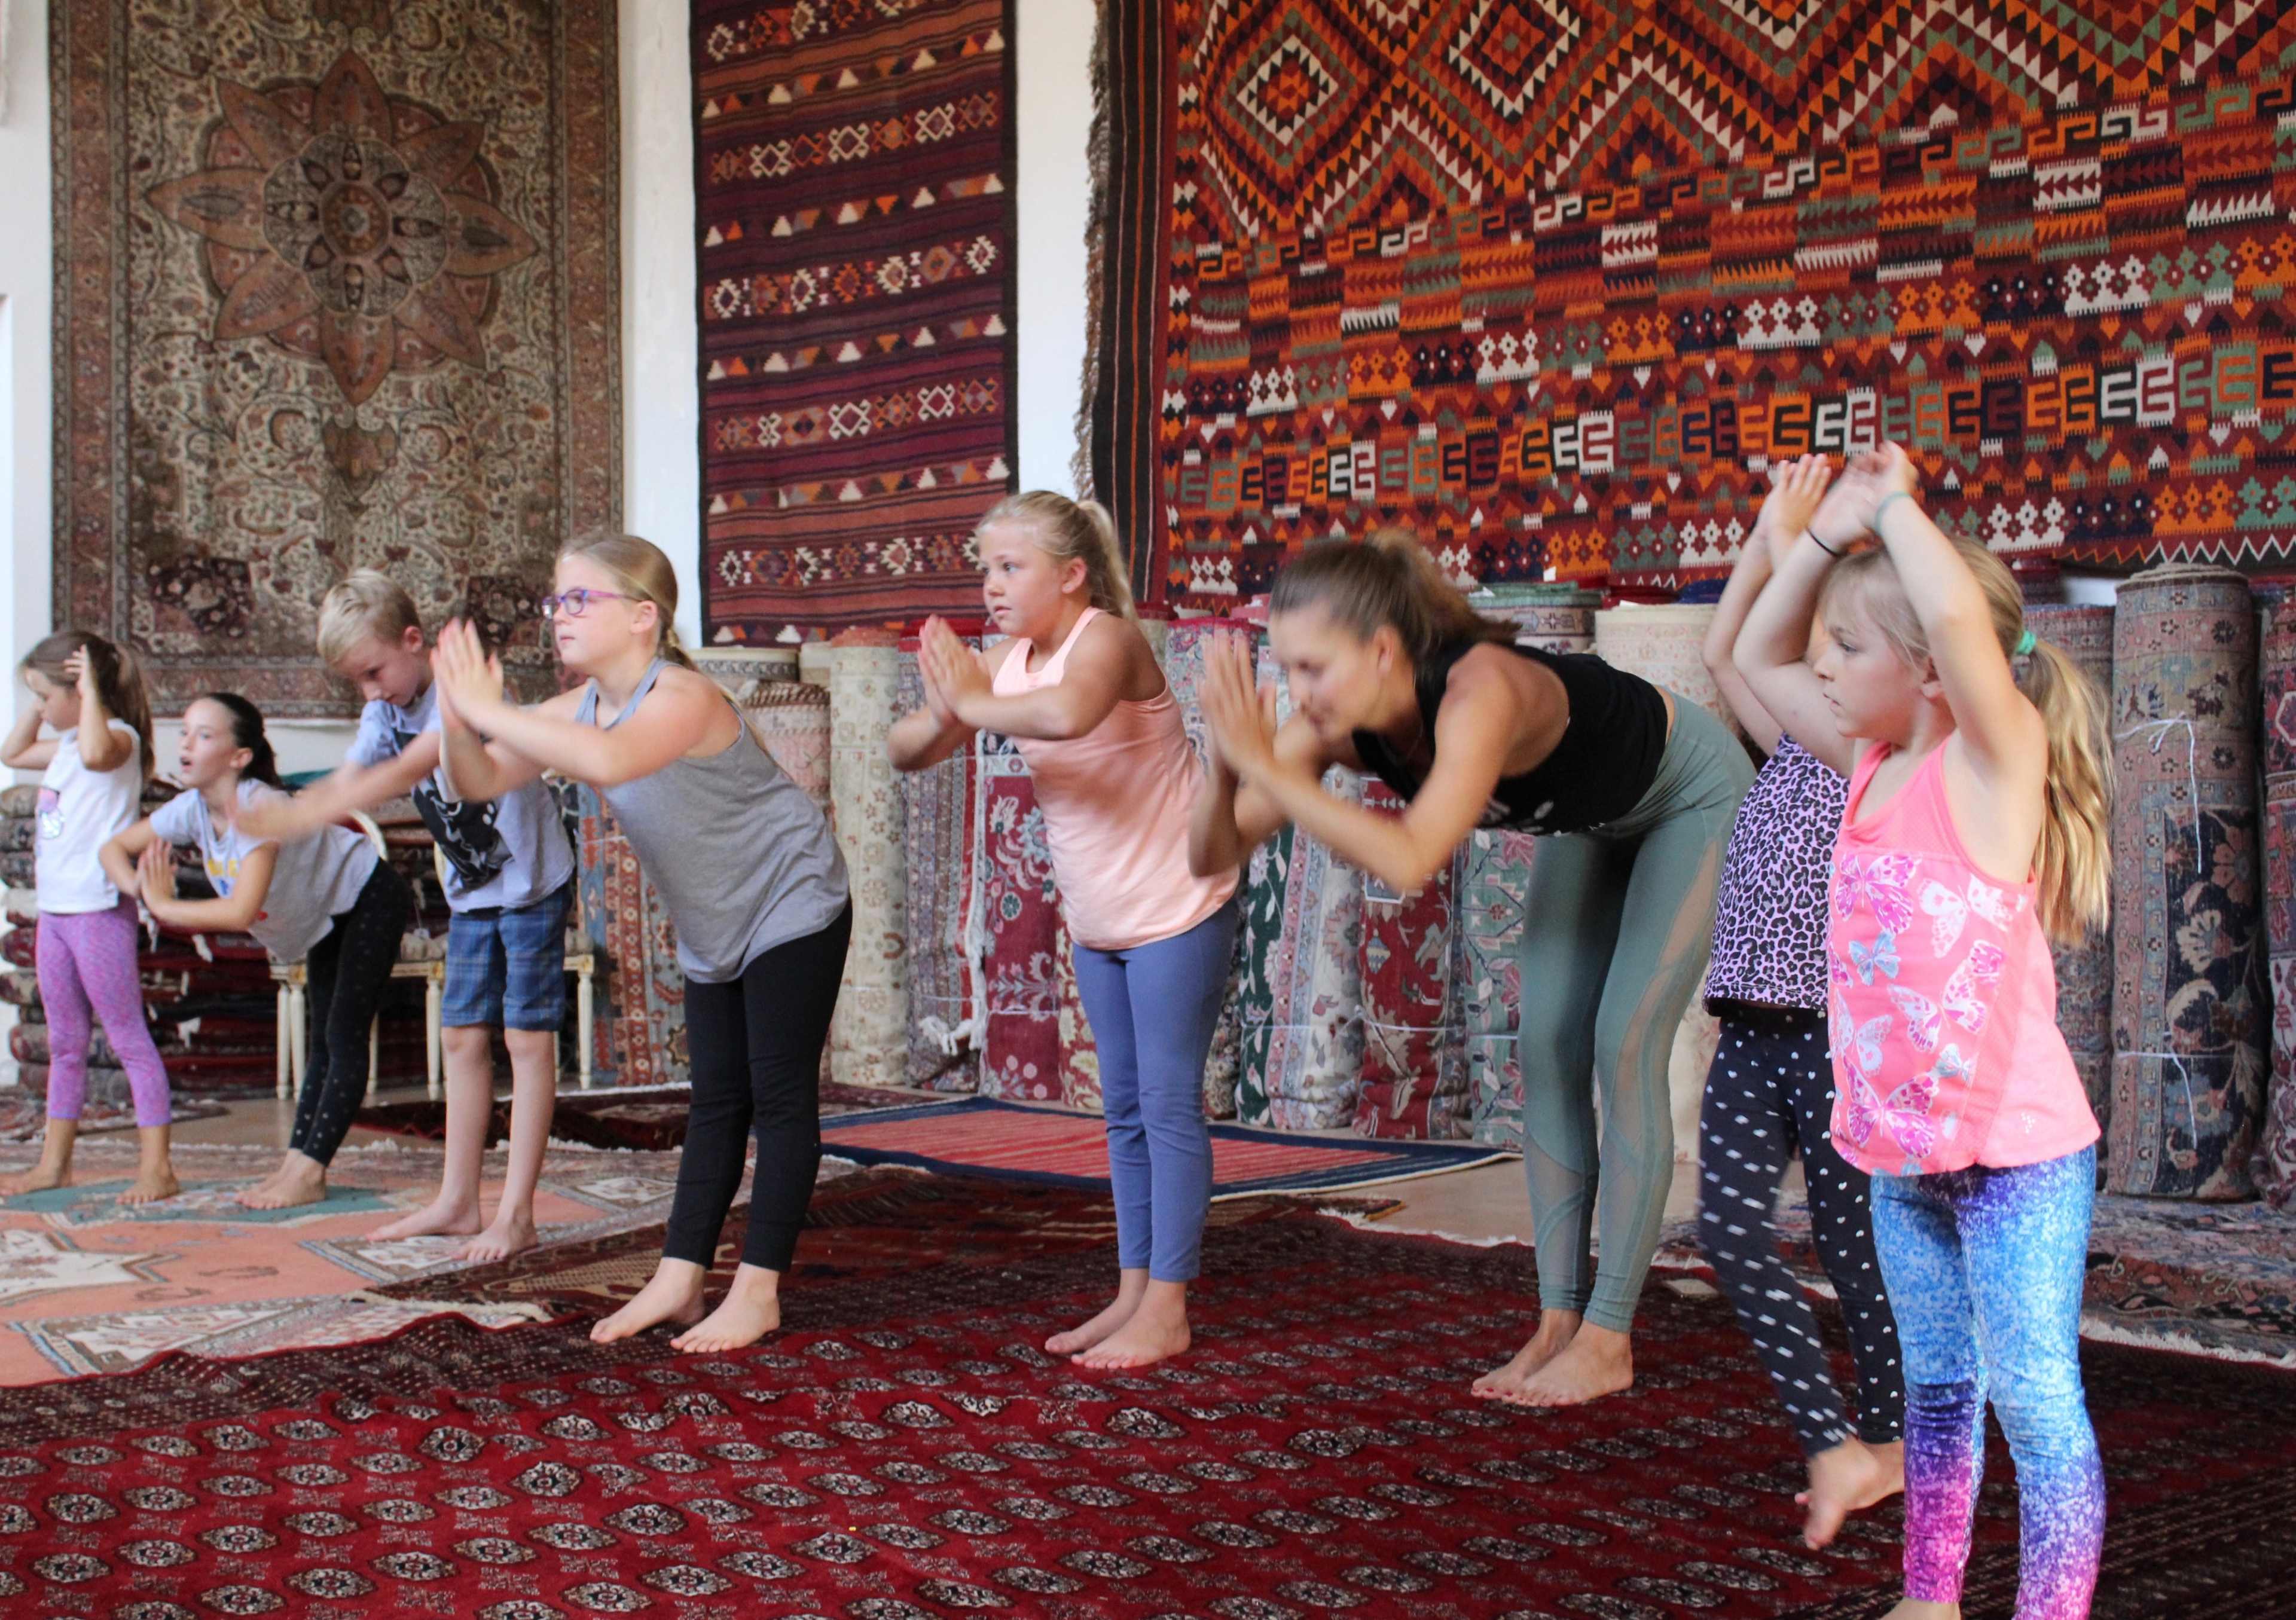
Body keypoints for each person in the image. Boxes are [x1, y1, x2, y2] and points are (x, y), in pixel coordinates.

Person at [1192, 528, 1752, 1406]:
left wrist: (1268, 764)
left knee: (1624, 1041)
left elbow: (1412, 856)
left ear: (1382, 650)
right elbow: (1213, 854)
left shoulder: (1477, 690)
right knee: (1547, 1045)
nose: (1299, 692)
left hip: (1691, 791)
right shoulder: (1339, 720)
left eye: (1313, 666)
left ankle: (1610, 1337)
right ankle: (1558, 1320)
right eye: (1287, 668)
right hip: (1596, 819)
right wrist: (1225, 761)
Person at [1736, 443, 2111, 1619]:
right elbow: (1752, 651)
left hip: (2019, 1159)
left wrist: (1896, 508)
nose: (1825, 667)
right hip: (1899, 1159)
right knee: (1938, 1389)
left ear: (1937, 673)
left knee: (2037, 1394)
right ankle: (1930, 1597)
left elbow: (1955, 615)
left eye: (1853, 647)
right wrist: (1819, 536)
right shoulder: (1866, 761)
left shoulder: (1989, 768)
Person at [429, 533, 850, 1354]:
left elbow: (613, 757)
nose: (561, 615)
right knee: (717, 1099)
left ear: (643, 617)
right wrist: (456, 715)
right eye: (558, 600)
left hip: (792, 894)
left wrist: (488, 710)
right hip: (714, 918)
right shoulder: (577, 708)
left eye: (581, 599)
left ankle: (758, 1288)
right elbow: (477, 781)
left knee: (778, 1093)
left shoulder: (685, 696)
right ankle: (679, 1276)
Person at [890, 492, 1239, 1370]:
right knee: (1120, 1110)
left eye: (1011, 568)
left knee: (1165, 1105)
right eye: (985, 569)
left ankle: (1171, 1306)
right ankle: (1132, 1292)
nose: (992, 587)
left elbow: (1068, 715)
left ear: (1072, 574)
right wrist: (949, 706)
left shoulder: (1108, 641)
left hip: (1178, 904)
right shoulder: (1008, 665)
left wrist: (974, 700)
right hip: (1101, 919)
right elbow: (907, 749)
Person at [240, 571, 576, 1261]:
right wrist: (305, 801)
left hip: (532, 882)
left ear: (414, 642)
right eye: (356, 681)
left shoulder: (467, 692)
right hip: (474, 893)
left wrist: (301, 810)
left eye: (374, 672)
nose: (370, 692)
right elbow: (357, 771)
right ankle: (458, 1201)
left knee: (528, 1042)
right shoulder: (381, 713)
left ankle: (516, 1215)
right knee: (461, 1039)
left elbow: (409, 769)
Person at [1696, 454, 1904, 1548]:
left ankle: (1894, 1442)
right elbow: (1732, 650)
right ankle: (1836, 1440)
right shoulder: (1790, 748)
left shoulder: (1870, 755)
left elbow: (1790, 646)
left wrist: (1802, 546)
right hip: (1748, 1029)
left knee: (1853, 1245)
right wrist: (1763, 536)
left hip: (1830, 1037)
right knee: (1727, 1231)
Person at [103, 694, 413, 1209]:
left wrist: (166, 905)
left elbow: (240, 912)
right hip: (324, 913)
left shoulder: (258, 806)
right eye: (184, 732)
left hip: (368, 896)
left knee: (342, 1033)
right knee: (322, 1042)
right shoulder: (189, 810)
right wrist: (141, 893)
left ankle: (311, 1172)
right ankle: (297, 1162)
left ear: (239, 756)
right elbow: (112, 849)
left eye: (204, 734)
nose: (185, 743)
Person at [0, 632, 175, 1202]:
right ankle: (56, 1162)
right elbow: (12, 753)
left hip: (99, 910)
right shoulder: (71, 743)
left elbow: (100, 753)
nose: (42, 710)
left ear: (82, 692)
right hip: (56, 913)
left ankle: (158, 1169)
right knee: (66, 1041)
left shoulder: (117, 739)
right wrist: (39, 697)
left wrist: (90, 688)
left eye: (47, 696)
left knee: (127, 1038)